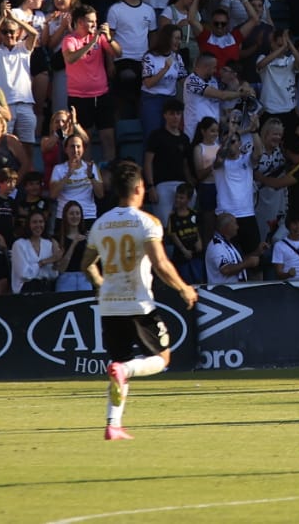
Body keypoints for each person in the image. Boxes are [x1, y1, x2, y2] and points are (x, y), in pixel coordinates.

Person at [84, 162, 200, 440]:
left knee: (117, 363)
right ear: (138, 188)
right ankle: (124, 371)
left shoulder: (101, 223)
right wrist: (183, 288)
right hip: (138, 304)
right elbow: (160, 262)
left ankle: (113, 424)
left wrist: (99, 283)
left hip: (110, 306)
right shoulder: (148, 223)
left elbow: (86, 264)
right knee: (161, 358)